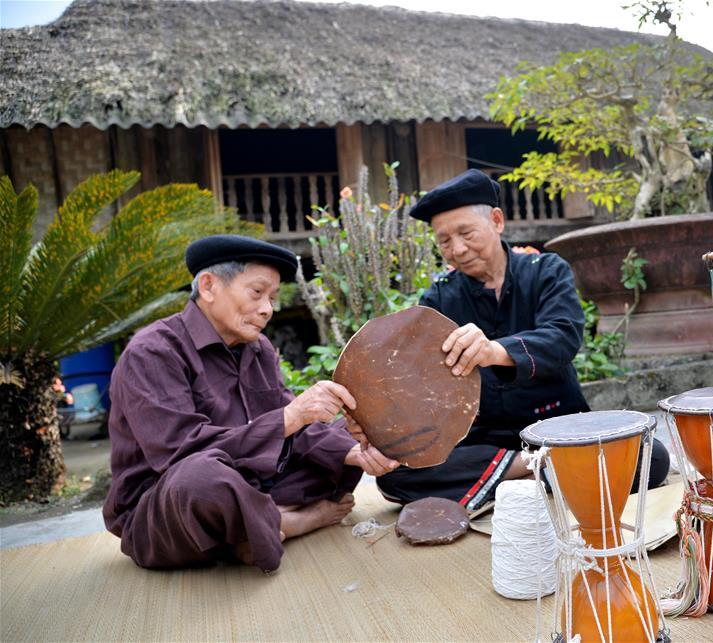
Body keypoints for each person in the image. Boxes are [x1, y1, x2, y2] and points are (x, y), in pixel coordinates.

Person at [373, 170, 669, 510]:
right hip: (482, 442)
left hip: (559, 427)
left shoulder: (546, 271)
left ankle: (504, 483)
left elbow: (563, 335)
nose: (457, 249)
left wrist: (494, 350)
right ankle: (540, 471)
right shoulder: (438, 299)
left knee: (651, 457)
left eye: (466, 233)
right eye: (444, 241)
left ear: (497, 221)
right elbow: (418, 379)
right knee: (394, 475)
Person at [103, 235, 399, 573]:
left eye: (272, 298)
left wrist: (354, 452)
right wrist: (290, 417)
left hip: (254, 483)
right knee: (202, 478)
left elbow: (295, 431)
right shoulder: (153, 351)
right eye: (257, 293)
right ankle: (287, 521)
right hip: (167, 505)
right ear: (209, 286)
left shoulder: (258, 349)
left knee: (346, 434)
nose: (267, 309)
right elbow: (179, 453)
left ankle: (252, 527)